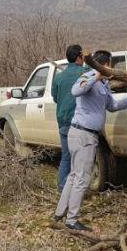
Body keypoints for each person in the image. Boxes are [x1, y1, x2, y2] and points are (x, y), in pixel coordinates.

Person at [54, 50, 127, 231]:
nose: (112, 70)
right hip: (82, 134)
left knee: (74, 175)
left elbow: (113, 106)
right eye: (110, 65)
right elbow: (76, 90)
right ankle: (72, 220)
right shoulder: (88, 77)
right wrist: (96, 75)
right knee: (82, 178)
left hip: (87, 135)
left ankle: (60, 213)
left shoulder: (104, 84)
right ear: (104, 64)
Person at [52, 44, 85, 192]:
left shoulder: (59, 77)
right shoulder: (85, 72)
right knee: (79, 159)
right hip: (78, 123)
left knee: (66, 157)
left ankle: (62, 187)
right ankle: (75, 189)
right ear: (79, 57)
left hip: (63, 122)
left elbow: (55, 98)